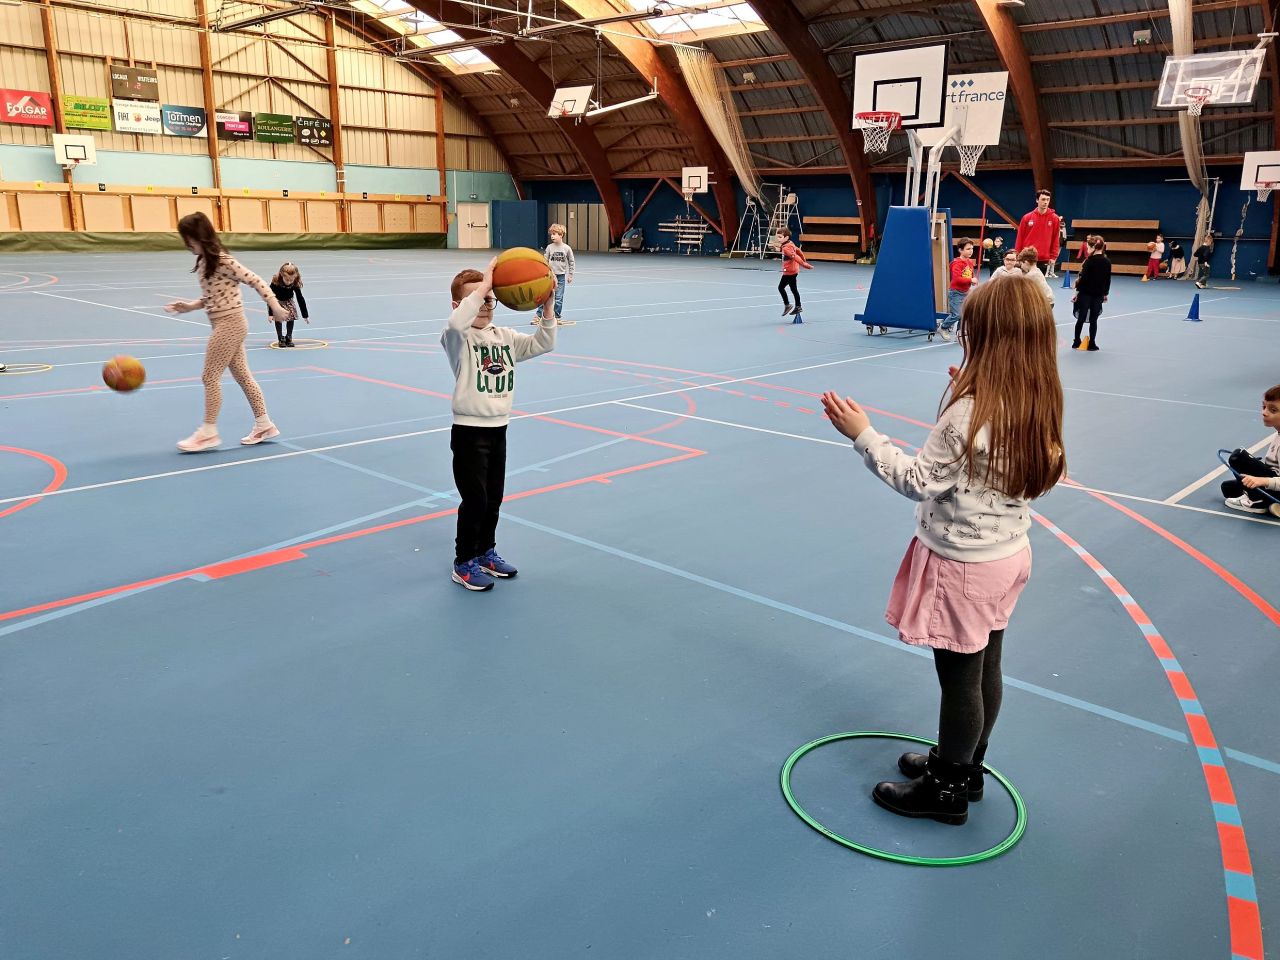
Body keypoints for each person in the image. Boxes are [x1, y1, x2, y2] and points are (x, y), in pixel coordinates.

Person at [820, 278, 1065, 826]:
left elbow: (919, 480)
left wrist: (864, 434)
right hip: (1008, 557)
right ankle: (966, 765)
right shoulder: (1038, 399)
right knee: (986, 665)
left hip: (965, 568)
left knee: (959, 680)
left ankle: (946, 789)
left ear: (986, 338)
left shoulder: (970, 414)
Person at [443, 258, 557, 591]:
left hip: (499, 429)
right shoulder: (458, 340)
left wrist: (547, 307)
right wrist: (484, 285)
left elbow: (544, 343)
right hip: (469, 432)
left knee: (494, 498)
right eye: (477, 299)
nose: (483, 305)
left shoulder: (505, 337)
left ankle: (485, 552)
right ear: (459, 305)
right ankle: (463, 561)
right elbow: (455, 325)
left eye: (489, 299)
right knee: (475, 500)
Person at [164, 212, 285, 453]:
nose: (187, 244)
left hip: (230, 324)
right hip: (223, 323)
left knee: (209, 377)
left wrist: (275, 305)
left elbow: (255, 280)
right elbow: (212, 296)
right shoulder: (204, 262)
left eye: (189, 239)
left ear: (200, 237)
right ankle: (264, 424)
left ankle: (208, 432)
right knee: (243, 376)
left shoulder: (223, 261)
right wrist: (190, 306)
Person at [1220, 385, 1280, 515]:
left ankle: (1257, 502)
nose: (1264, 412)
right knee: (1227, 488)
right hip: (1274, 482)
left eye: (1273, 410)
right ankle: (1271, 502)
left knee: (1238, 457)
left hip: (1275, 484)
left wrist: (1262, 481)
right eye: (1264, 407)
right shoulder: (1278, 434)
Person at [1072, 235, 1112, 352]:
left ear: (1093, 247)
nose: (1087, 250)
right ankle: (1092, 343)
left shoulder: (1088, 261)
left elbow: (1082, 279)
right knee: (1094, 320)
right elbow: (1107, 279)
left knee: (1081, 318)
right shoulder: (1107, 262)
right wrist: (1105, 293)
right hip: (1098, 294)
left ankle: (1076, 341)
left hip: (1085, 293)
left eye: (1088, 248)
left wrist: (1076, 293)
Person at [1014, 189, 1061, 274]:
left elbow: (1055, 238)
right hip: (1027, 257)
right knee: (1025, 282)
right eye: (1043, 199)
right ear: (1037, 200)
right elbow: (1020, 237)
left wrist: (1053, 257)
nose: (1045, 202)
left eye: (1048, 200)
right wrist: (1017, 255)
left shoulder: (1055, 218)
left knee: (1038, 282)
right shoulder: (1026, 217)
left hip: (1043, 258)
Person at [941, 238, 977, 342]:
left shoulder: (969, 262)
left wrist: (973, 280)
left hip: (966, 292)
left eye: (972, 248)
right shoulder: (956, 263)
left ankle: (960, 333)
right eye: (968, 249)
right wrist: (970, 280)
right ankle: (943, 327)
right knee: (957, 314)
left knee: (964, 314)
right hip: (956, 293)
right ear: (960, 250)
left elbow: (970, 274)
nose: (971, 251)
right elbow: (956, 279)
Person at [269, 262, 309, 347]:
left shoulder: (295, 283)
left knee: (291, 316)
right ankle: (280, 338)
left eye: (291, 280)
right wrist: (270, 314)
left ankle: (289, 336)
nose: (289, 282)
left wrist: (305, 315)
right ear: (282, 275)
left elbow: (300, 298)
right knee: (278, 318)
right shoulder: (276, 281)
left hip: (289, 301)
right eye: (287, 280)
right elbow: (270, 297)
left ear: (295, 277)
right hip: (277, 301)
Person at [542, 223, 575, 325]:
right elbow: (544, 261)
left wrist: (570, 274)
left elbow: (571, 261)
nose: (552, 236)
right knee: (545, 296)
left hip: (561, 277)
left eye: (554, 234)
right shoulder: (549, 247)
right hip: (549, 277)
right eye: (551, 234)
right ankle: (539, 316)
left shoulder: (567, 248)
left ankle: (556, 316)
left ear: (561, 235)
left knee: (559, 298)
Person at [776, 227, 813, 316]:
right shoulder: (790, 244)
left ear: (786, 237)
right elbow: (798, 251)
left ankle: (787, 305)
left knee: (781, 287)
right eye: (778, 237)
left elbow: (795, 256)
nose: (778, 239)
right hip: (794, 271)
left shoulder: (786, 248)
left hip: (789, 272)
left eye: (780, 237)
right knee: (794, 289)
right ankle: (798, 306)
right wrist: (804, 260)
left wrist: (804, 264)